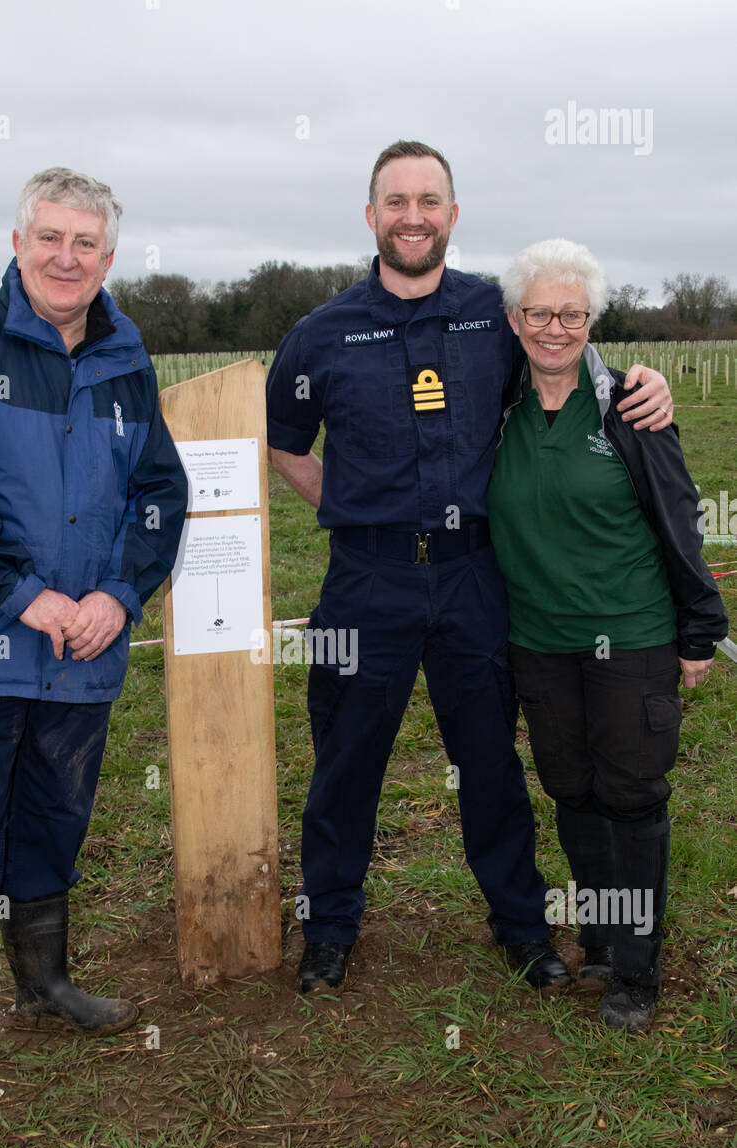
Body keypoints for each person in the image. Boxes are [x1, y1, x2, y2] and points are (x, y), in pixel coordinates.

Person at [266, 139, 675, 997]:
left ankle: (522, 926)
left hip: (473, 578)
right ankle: (329, 927)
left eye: (429, 201)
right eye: (395, 201)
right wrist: (353, 508)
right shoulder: (320, 334)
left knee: (491, 763)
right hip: (365, 579)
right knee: (345, 763)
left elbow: (577, 363)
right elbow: (285, 446)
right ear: (370, 215)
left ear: (453, 215)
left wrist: (652, 382)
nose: (412, 216)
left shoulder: (499, 312)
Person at [0, 167, 188, 1121]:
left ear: (110, 256)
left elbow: (160, 494)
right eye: (50, 237)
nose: (67, 257)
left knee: (55, 816)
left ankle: (43, 982)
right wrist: (28, 597)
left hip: (82, 647)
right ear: (18, 244)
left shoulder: (129, 358)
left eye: (87, 242)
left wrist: (118, 592)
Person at [487, 238, 728, 1032]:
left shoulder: (632, 404)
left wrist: (701, 630)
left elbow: (679, 515)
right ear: (515, 317)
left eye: (572, 314)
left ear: (591, 320)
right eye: (539, 312)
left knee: (630, 795)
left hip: (631, 637)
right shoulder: (497, 403)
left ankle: (636, 968)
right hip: (539, 640)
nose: (554, 328)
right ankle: (598, 934)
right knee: (572, 789)